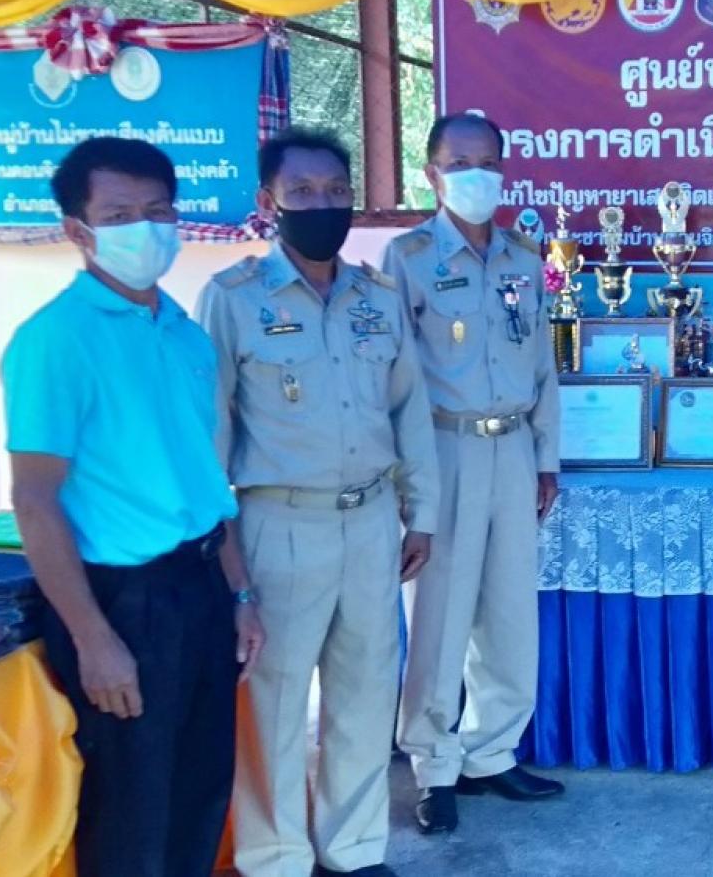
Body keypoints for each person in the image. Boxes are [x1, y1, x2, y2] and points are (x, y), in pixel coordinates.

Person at [4, 137, 261, 877]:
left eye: (158, 210)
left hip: (201, 583)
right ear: (77, 229)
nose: (144, 229)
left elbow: (208, 481)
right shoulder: (55, 339)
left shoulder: (183, 331)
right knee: (131, 813)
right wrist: (94, 639)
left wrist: (240, 594)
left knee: (198, 791)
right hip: (125, 602)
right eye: (119, 214)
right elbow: (34, 499)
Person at [200, 129, 439, 877]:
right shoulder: (234, 299)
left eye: (335, 190)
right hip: (279, 523)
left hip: (371, 520)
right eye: (301, 192)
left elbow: (410, 410)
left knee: (365, 692)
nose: (321, 204)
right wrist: (224, 555)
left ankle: (354, 848)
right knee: (273, 702)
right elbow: (210, 432)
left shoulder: (378, 298)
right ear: (268, 201)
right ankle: (275, 857)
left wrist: (422, 511)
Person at [386, 113, 564, 834]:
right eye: (460, 162)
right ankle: (434, 765)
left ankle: (493, 751)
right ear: (432, 173)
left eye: (488, 161)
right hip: (444, 448)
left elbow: (543, 364)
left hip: (513, 447)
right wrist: (408, 481)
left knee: (510, 612)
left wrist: (546, 458)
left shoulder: (524, 256)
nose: (476, 174)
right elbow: (395, 377)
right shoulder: (408, 256)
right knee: (440, 615)